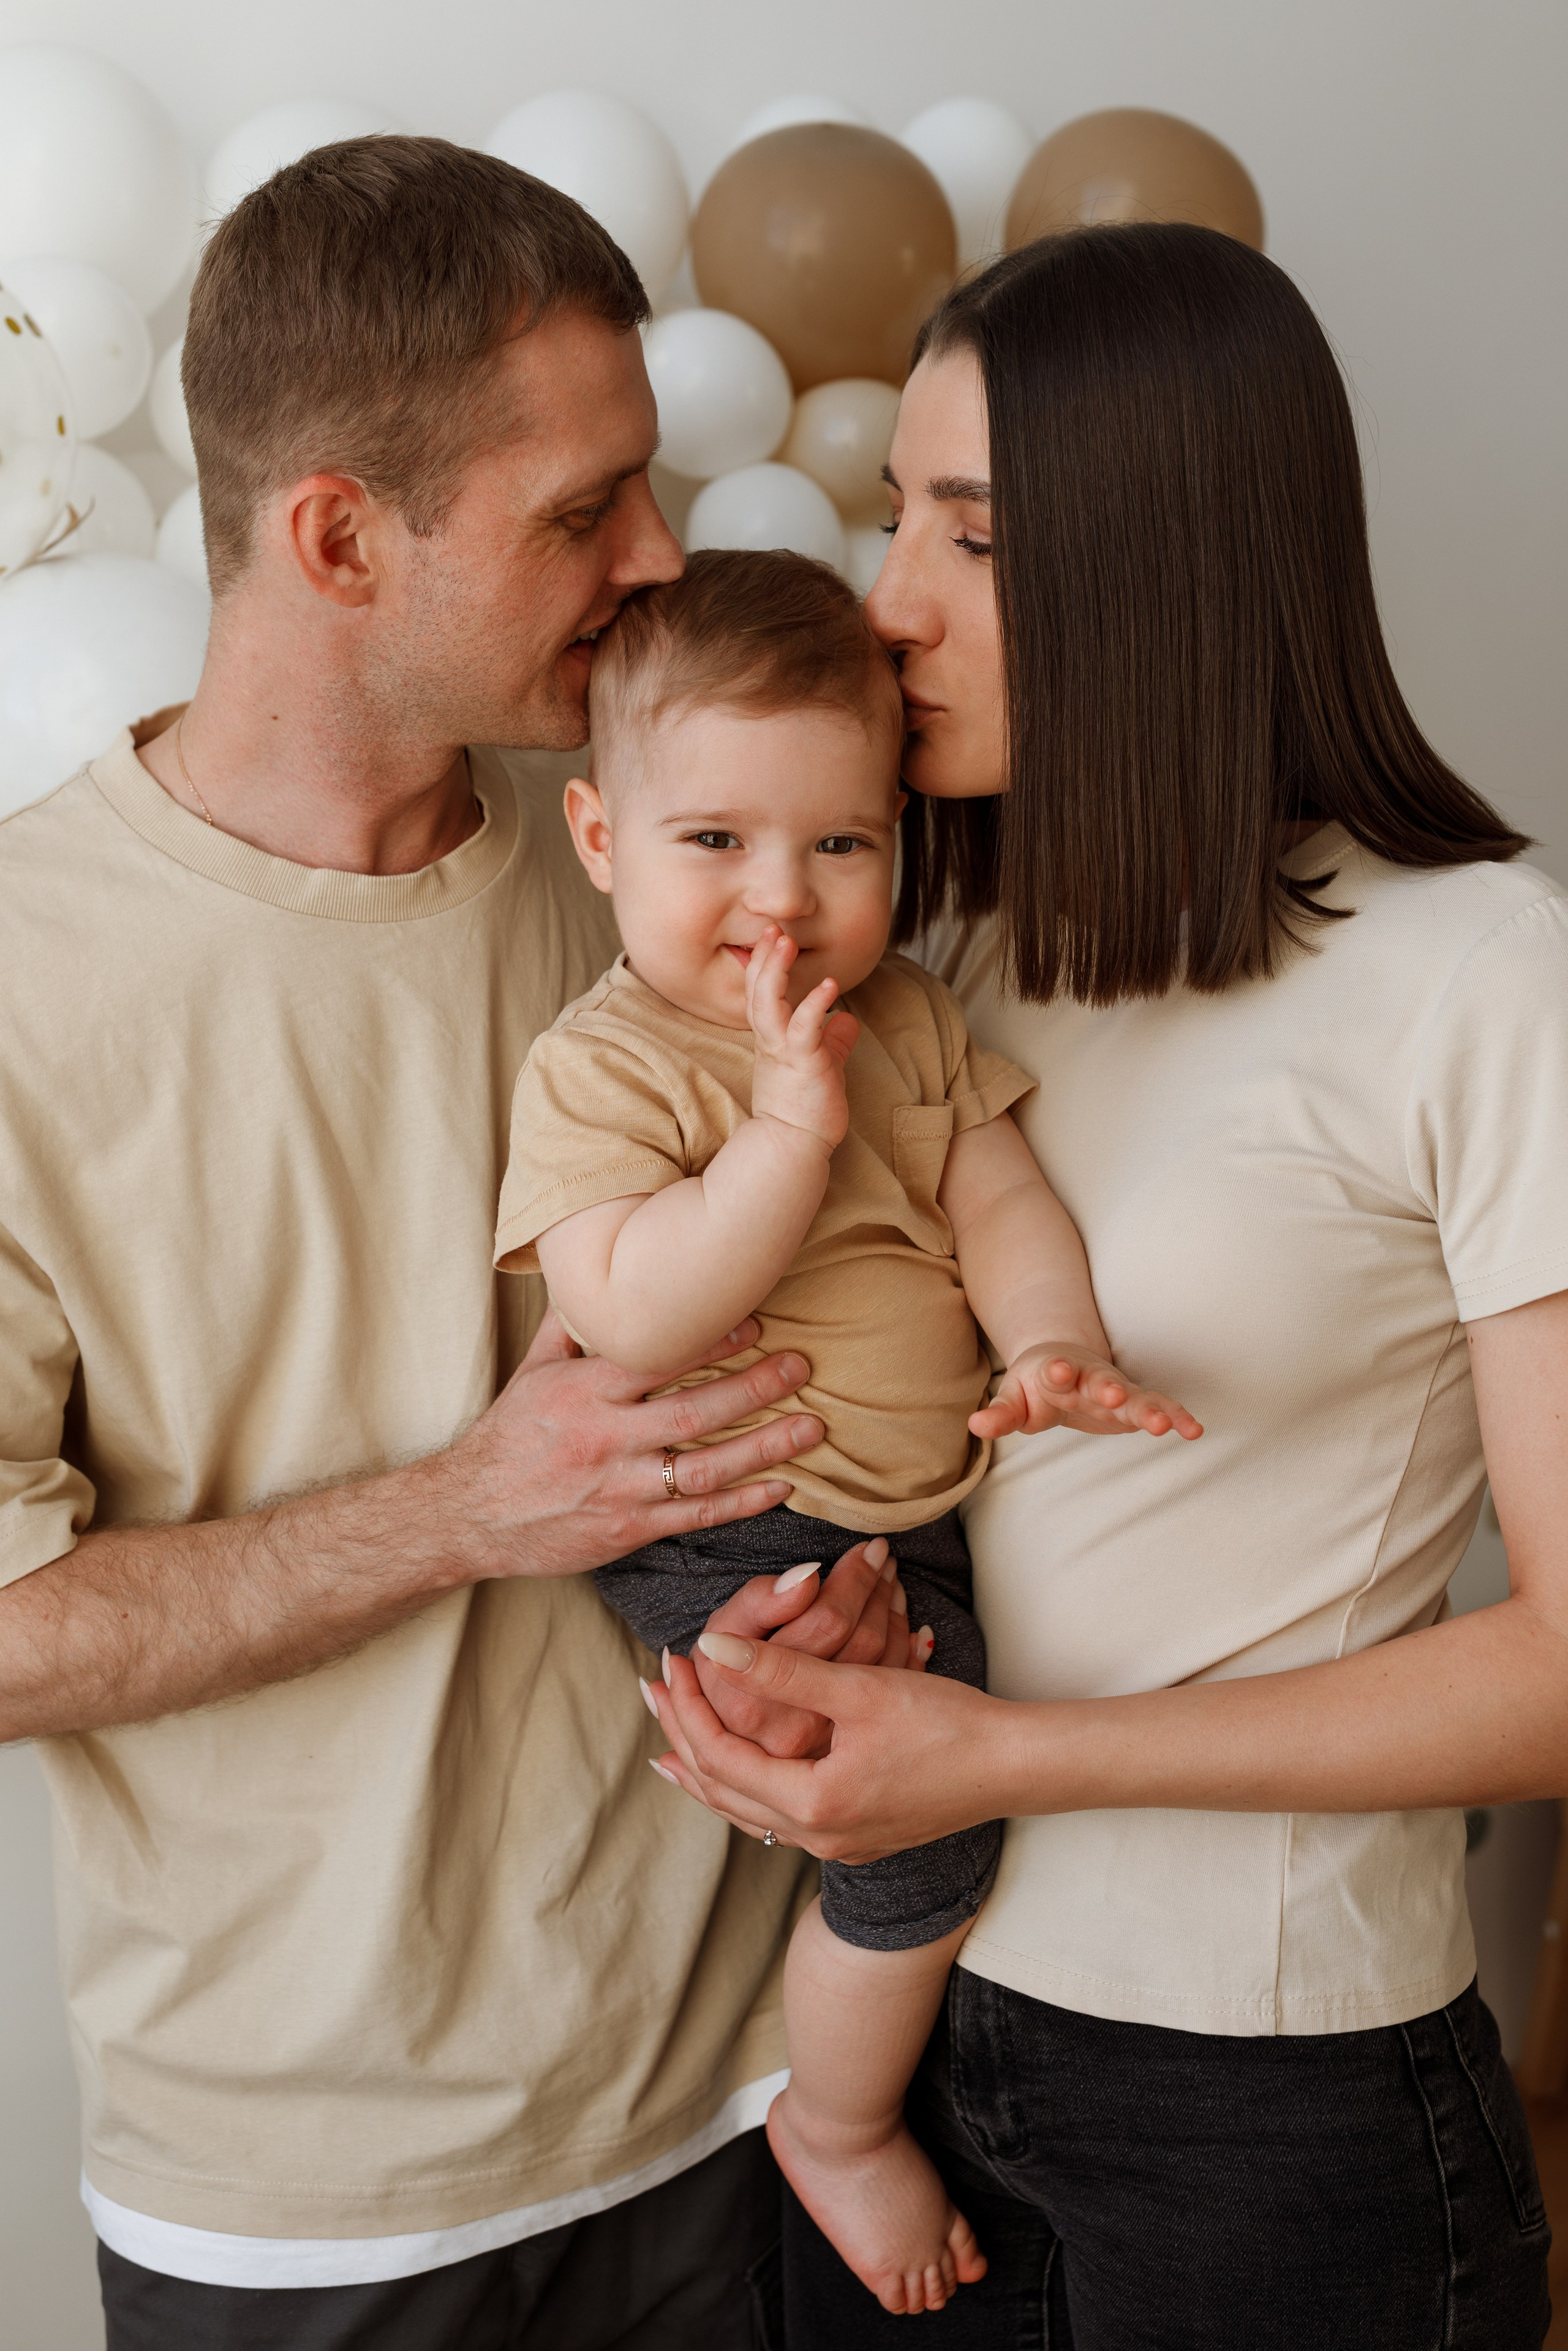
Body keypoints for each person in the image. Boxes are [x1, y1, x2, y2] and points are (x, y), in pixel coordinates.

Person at [0, 135, 908, 2351]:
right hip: (317, 2214)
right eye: (581, 510)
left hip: (756, 2098)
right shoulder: (22, 984)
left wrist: (873, 1565)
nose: (663, 554)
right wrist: (460, 1513)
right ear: (335, 536)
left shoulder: (665, 857)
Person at [647, 224, 1568, 2348]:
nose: (887, 606)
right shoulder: (935, 967)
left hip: (1278, 2102)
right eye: (898, 516)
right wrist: (823, 1633)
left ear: (1167, 556)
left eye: (969, 537)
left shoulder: (1473, 972)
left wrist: (997, 1756)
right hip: (910, 2032)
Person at [492, 546, 1200, 2315]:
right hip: (730, 1532)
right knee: (926, 1840)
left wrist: (1053, 1345)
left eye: (842, 845)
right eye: (714, 842)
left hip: (913, 1515)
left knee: (949, 1786)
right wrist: (784, 1142)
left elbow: (1005, 1191)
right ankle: (840, 2121)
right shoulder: (610, 1067)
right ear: (601, 840)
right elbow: (633, 1311)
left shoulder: (914, 1017)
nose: (780, 902)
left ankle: (869, 2091)